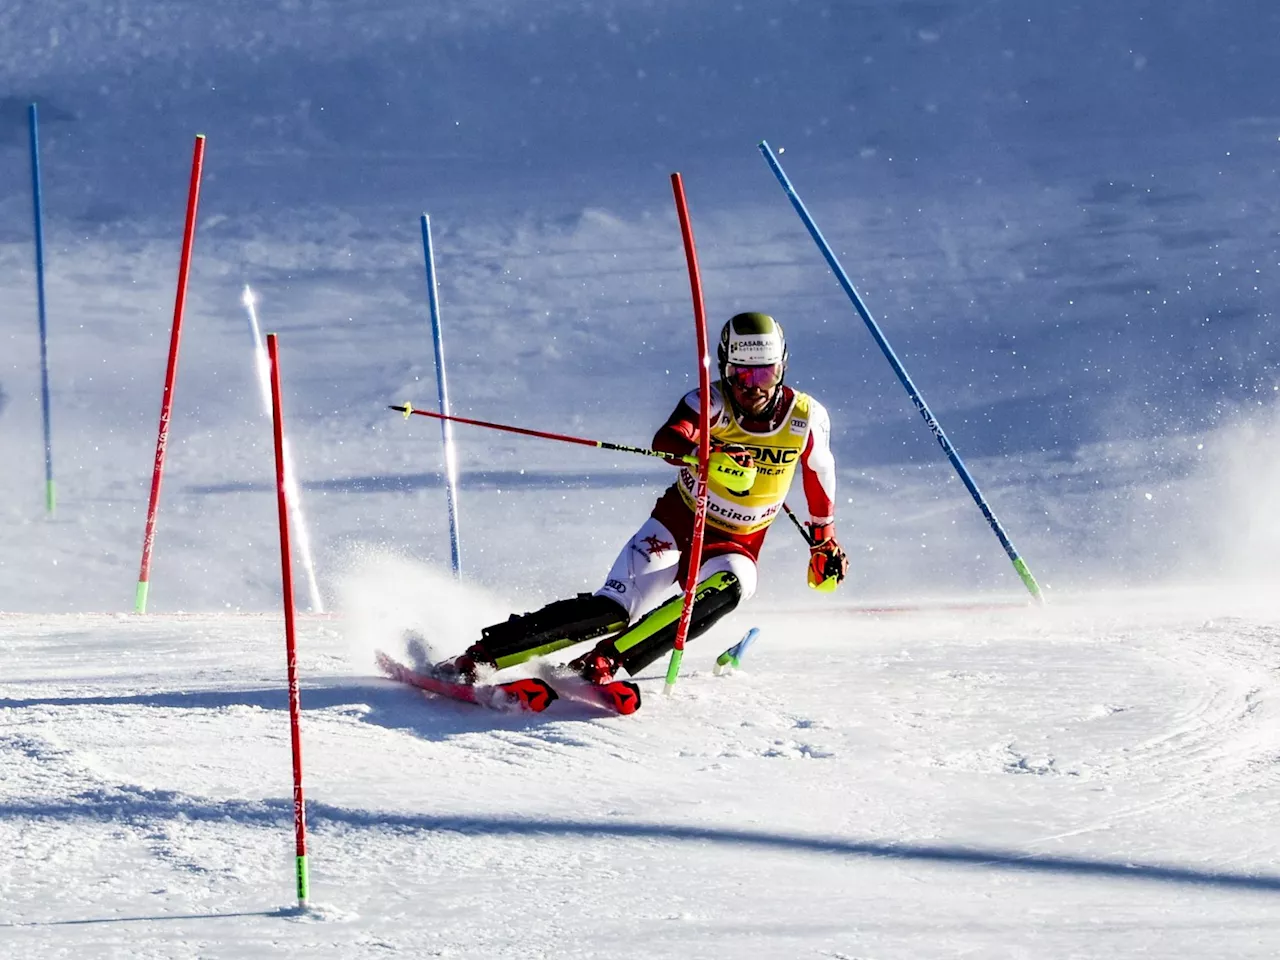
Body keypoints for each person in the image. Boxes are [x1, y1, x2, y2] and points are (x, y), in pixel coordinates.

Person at [435, 312, 848, 687]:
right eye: (742, 377)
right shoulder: (710, 402)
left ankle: (604, 663)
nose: (754, 389)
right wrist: (708, 454)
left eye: (765, 375)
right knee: (613, 609)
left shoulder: (806, 416)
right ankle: (483, 656)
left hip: (737, 542)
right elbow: (668, 439)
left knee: (734, 586)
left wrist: (823, 539)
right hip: (678, 522)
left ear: (782, 368)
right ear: (726, 369)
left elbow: (818, 471)